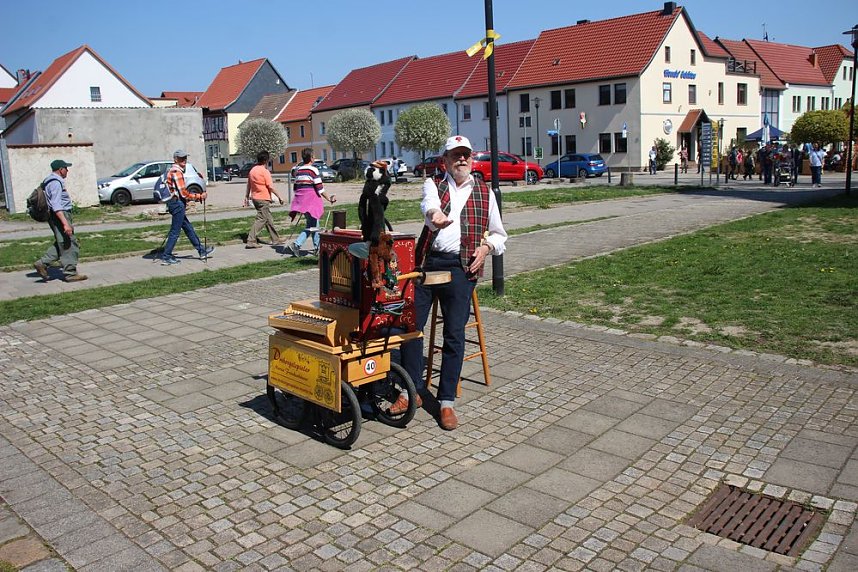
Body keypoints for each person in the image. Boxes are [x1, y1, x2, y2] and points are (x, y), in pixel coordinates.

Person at [397, 135, 507, 431]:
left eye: (465, 155)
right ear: (444, 161)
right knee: (409, 328)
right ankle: (412, 391)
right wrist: (435, 216)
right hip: (428, 263)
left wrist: (486, 249)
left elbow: (499, 235)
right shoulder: (434, 183)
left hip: (462, 268)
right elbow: (429, 208)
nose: (461, 159)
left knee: (454, 335)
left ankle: (446, 401)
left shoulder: (485, 192)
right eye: (455, 155)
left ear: (472, 160)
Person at [32, 159, 87, 282]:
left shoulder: (49, 181)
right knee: (69, 243)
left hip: (56, 216)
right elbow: (56, 205)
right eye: (66, 168)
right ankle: (70, 273)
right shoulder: (56, 182)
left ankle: (42, 263)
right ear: (61, 169)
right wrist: (65, 223)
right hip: (60, 215)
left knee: (62, 242)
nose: (67, 170)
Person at [159, 150, 215, 265]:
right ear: (175, 159)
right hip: (177, 204)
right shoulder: (177, 172)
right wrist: (199, 196)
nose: (184, 160)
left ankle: (201, 250)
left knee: (188, 228)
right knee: (175, 231)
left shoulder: (171, 170)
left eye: (185, 158)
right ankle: (166, 256)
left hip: (174, 203)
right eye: (181, 158)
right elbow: (184, 193)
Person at [288, 148, 336, 257]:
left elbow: (296, 187)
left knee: (313, 224)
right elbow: (320, 188)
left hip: (301, 201)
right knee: (313, 226)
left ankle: (317, 248)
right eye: (313, 156)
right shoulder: (313, 170)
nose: (314, 158)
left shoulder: (298, 171)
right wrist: (329, 198)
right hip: (311, 202)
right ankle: (297, 244)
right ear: (311, 158)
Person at [244, 151, 285, 248]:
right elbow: (270, 187)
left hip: (255, 198)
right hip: (263, 198)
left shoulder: (252, 170)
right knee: (261, 219)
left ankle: (275, 239)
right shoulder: (265, 171)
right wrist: (279, 197)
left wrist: (246, 196)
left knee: (268, 218)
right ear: (266, 160)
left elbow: (249, 185)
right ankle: (251, 240)